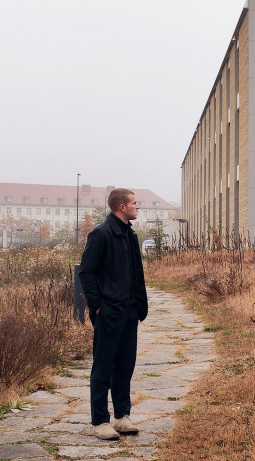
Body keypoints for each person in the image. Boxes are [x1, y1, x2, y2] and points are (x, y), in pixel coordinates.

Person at [79, 188, 149, 440]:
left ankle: (121, 417)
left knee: (125, 366)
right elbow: (86, 272)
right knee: (103, 367)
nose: (137, 206)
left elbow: (134, 273)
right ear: (121, 207)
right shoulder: (101, 234)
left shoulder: (130, 235)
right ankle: (100, 421)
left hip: (130, 310)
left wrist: (139, 305)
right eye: (134, 203)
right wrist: (98, 305)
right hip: (109, 312)